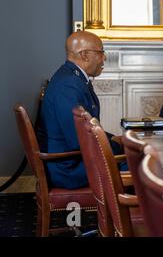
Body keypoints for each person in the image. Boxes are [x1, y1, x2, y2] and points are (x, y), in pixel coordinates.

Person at [37, 31, 126, 189]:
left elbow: (87, 131)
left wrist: (113, 139)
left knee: (132, 155)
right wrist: (118, 146)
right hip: (68, 169)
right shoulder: (69, 85)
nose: (104, 58)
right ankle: (131, 213)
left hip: (71, 162)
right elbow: (79, 139)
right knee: (139, 165)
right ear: (85, 55)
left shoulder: (72, 77)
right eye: (101, 52)